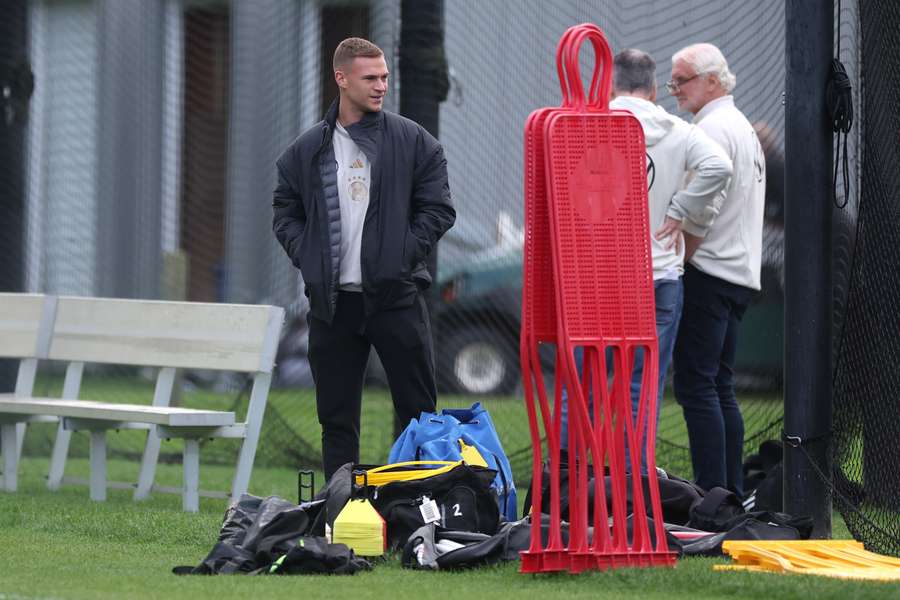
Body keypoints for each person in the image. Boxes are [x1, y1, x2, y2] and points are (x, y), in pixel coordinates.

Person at [272, 37, 455, 480]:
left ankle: (422, 512)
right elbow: (285, 212)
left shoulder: (414, 142)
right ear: (342, 79)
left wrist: (400, 255)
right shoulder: (306, 149)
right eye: (370, 78)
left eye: (385, 77)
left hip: (396, 298)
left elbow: (440, 210)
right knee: (336, 421)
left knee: (419, 413)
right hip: (333, 306)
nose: (380, 86)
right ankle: (342, 517)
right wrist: (308, 258)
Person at [558, 49, 733, 473]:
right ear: (655, 89)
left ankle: (567, 481)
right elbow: (719, 166)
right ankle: (633, 484)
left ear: (608, 85)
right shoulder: (676, 129)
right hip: (656, 276)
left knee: (581, 387)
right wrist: (680, 209)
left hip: (599, 275)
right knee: (641, 386)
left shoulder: (587, 125)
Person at [668, 43, 766, 497]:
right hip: (739, 273)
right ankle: (728, 494)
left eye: (682, 79)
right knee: (719, 386)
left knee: (697, 386)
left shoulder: (711, 129)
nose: (674, 90)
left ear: (712, 80)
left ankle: (713, 494)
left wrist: (678, 259)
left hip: (708, 270)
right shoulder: (739, 125)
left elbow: (703, 208)